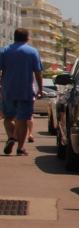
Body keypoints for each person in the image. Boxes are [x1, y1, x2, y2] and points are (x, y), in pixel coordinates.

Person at [0, 28, 44, 156]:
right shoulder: (32, 52)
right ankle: (20, 147)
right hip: (26, 90)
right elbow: (38, 72)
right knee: (23, 119)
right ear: (27, 38)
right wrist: (40, 89)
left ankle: (11, 137)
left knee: (8, 118)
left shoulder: (5, 51)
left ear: (14, 37)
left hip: (8, 90)